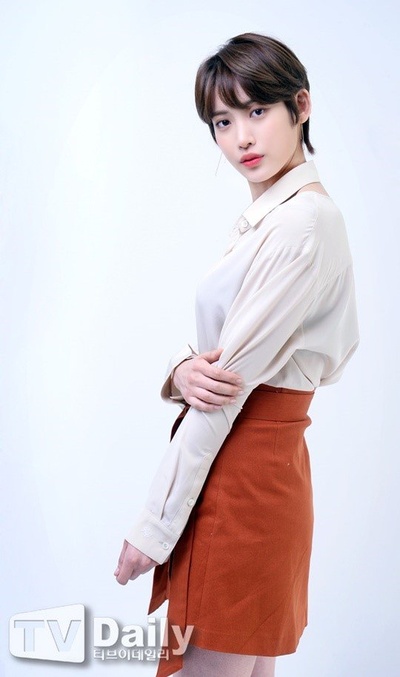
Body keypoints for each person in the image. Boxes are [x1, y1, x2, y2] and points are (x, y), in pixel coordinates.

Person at [114, 32, 359, 677]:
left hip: (242, 477)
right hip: (257, 475)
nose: (241, 138)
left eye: (257, 111)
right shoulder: (275, 219)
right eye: (223, 121)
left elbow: (226, 392)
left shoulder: (302, 223)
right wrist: (180, 370)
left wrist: (151, 528)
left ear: (300, 106)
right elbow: (221, 359)